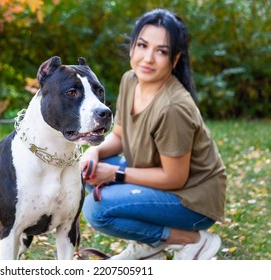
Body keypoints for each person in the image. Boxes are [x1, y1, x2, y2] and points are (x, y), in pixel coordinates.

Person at [80, 9, 227, 260]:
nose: (148, 58)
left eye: (161, 51)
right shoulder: (131, 80)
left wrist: (115, 174)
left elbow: (175, 178)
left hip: (192, 200)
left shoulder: (173, 108)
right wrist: (94, 152)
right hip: (161, 183)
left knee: (97, 209)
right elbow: (120, 137)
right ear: (132, 48)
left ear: (175, 58)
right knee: (87, 171)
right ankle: (150, 248)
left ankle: (193, 241)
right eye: (143, 45)